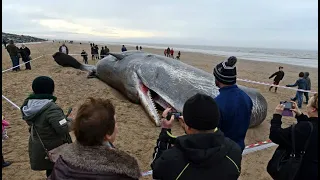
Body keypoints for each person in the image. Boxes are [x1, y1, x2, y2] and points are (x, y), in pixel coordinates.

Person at [151, 93, 242, 180]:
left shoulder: (171, 159)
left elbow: (157, 170)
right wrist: (190, 131)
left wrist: (165, 132)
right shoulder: (234, 152)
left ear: (189, 127)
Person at [48, 97, 141, 180]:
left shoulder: (61, 162)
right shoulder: (123, 172)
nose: (117, 125)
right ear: (108, 134)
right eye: (115, 122)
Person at [20, 76, 73, 178]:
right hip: (54, 149)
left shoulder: (29, 105)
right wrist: (72, 121)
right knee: (59, 171)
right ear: (51, 90)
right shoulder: (51, 108)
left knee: (51, 171)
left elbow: (39, 122)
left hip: (40, 146)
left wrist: (61, 119)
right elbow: (63, 129)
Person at [268, 93, 318, 180]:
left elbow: (275, 135)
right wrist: (300, 115)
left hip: (301, 172)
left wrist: (277, 116)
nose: (307, 106)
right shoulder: (307, 126)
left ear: (313, 109)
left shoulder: (304, 128)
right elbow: (313, 126)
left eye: (308, 104)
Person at [213, 56, 253, 151]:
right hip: (238, 148)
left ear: (218, 79)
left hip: (222, 150)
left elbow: (214, 132)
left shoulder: (217, 103)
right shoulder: (247, 98)